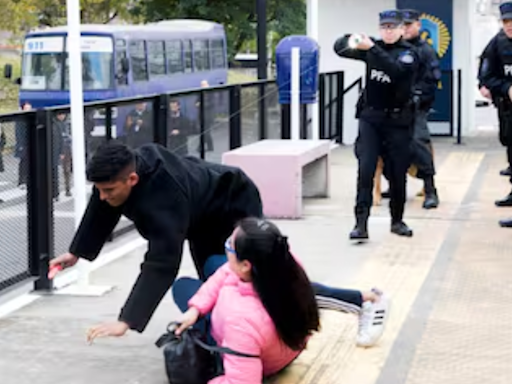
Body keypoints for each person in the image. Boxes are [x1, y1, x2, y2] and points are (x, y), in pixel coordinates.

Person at [49, 142, 389, 346]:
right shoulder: (122, 172)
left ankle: (365, 301)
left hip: (234, 204)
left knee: (263, 283)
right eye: (100, 189)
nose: (103, 197)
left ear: (132, 179)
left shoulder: (163, 197)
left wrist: (127, 320)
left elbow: (161, 262)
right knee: (217, 288)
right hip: (202, 220)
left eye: (110, 190)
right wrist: (78, 252)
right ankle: (223, 340)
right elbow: (102, 205)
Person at [172, 218, 388, 383]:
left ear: (246, 266)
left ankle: (365, 301)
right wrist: (196, 308)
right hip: (285, 346)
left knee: (182, 286)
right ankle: (366, 299)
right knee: (213, 263)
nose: (226, 245)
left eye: (230, 245)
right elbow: (226, 270)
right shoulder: (282, 260)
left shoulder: (240, 319)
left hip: (257, 356)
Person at [334, 10, 419, 240]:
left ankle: (397, 220)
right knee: (366, 170)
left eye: (393, 27)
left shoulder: (409, 53)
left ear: (402, 29)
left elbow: (396, 70)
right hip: (371, 118)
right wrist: (353, 39)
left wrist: (371, 48)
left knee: (397, 172)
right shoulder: (373, 48)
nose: (388, 32)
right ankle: (360, 223)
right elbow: (339, 47)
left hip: (398, 121)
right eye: (384, 27)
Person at [380, 8, 440, 210]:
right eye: (401, 25)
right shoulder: (393, 49)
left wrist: (414, 98)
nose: (405, 29)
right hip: (391, 108)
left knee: (418, 145)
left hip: (415, 109)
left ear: (418, 25)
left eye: (408, 25)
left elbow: (431, 82)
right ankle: (393, 184)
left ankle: (430, 190)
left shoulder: (425, 50)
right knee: (387, 147)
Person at [478, 2, 512, 227]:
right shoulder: (498, 43)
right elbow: (487, 73)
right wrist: (504, 88)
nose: (509, 26)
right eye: (506, 22)